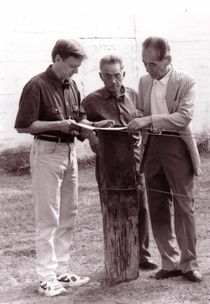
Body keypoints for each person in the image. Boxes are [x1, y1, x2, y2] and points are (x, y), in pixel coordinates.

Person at [14, 39, 113, 297]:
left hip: (70, 153)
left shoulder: (72, 86)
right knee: (48, 217)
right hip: (46, 152)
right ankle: (46, 277)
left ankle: (62, 271)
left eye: (78, 67)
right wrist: (57, 125)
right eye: (72, 66)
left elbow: (79, 119)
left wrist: (93, 128)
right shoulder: (36, 86)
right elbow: (24, 126)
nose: (76, 71)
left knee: (69, 213)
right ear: (57, 59)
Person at [127, 37, 203, 283]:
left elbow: (183, 118)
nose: (149, 69)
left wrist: (148, 120)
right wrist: (134, 117)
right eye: (145, 64)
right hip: (152, 147)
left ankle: (189, 263)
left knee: (184, 205)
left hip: (176, 146)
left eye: (153, 64)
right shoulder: (144, 81)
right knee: (157, 204)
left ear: (167, 59)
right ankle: (169, 263)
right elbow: (140, 110)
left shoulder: (186, 81)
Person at [82, 54, 158, 271]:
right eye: (107, 76)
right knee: (113, 207)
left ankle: (142, 255)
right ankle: (118, 253)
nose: (113, 81)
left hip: (135, 161)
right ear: (100, 76)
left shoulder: (135, 95)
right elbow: (80, 123)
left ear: (123, 73)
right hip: (108, 163)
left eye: (117, 76)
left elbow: (145, 119)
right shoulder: (91, 100)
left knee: (141, 207)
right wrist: (93, 131)